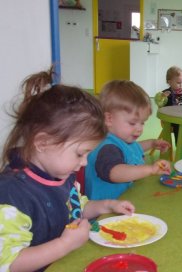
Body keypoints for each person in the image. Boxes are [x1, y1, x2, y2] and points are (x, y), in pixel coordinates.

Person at [0, 67, 136, 272]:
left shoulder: (62, 175)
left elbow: (76, 208)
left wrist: (106, 206)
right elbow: (9, 263)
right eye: (80, 154)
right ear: (43, 143)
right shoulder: (12, 195)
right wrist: (64, 245)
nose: (85, 163)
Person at [85, 80, 171, 200]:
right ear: (109, 119)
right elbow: (114, 172)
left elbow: (132, 150)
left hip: (124, 202)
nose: (139, 129)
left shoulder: (122, 139)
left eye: (142, 123)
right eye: (132, 123)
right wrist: (150, 169)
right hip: (106, 213)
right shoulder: (107, 147)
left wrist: (152, 143)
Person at [154, 66, 182, 143]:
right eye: (178, 83)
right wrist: (162, 96)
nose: (181, 85)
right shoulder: (166, 93)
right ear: (169, 82)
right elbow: (158, 101)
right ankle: (180, 145)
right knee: (179, 126)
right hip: (171, 120)